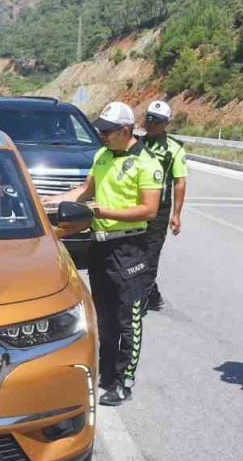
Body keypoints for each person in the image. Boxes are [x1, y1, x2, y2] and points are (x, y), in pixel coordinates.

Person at [45, 101, 163, 406]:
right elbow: (83, 194)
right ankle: (107, 374)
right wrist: (45, 202)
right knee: (104, 316)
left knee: (128, 318)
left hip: (129, 247)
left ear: (126, 130)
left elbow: (149, 210)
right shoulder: (102, 156)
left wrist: (103, 211)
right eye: (100, 130)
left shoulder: (147, 163)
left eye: (107, 131)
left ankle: (125, 380)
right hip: (100, 245)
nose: (102, 135)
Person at [139, 100, 189, 312]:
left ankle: (141, 300)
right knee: (135, 252)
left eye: (157, 121)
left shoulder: (174, 149)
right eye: (149, 119)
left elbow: (180, 182)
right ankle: (152, 293)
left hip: (159, 210)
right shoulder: (137, 144)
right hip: (138, 207)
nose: (151, 124)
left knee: (150, 255)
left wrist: (176, 215)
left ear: (166, 123)